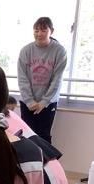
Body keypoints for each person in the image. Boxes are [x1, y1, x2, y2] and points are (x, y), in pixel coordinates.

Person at [17, 16, 67, 144]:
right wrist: (29, 101)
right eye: (36, 30)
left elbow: (57, 79)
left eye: (44, 30)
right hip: (27, 102)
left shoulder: (59, 51)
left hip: (48, 103)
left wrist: (44, 102)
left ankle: (44, 158)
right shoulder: (26, 50)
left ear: (51, 31)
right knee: (26, 136)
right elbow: (22, 78)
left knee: (44, 136)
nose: (39, 34)